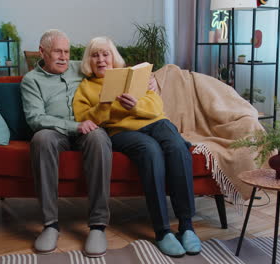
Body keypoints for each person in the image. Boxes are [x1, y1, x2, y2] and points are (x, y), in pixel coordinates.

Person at [73, 36, 202, 258]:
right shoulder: (85, 88)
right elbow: (83, 118)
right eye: (95, 55)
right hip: (121, 132)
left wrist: (135, 105)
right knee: (151, 151)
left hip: (156, 123)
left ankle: (187, 226)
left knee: (177, 147)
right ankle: (162, 231)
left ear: (113, 57)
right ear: (88, 61)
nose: (101, 59)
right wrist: (105, 106)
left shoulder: (134, 77)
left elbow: (155, 105)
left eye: (105, 54)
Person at [20, 30, 112, 257]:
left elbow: (111, 69)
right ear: (42, 52)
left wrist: (149, 80)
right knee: (41, 138)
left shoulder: (80, 68)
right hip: (55, 132)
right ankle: (50, 224)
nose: (63, 57)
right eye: (57, 52)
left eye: (67, 51)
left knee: (100, 137)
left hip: (88, 129)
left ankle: (98, 226)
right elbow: (35, 119)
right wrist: (74, 126)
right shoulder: (31, 81)